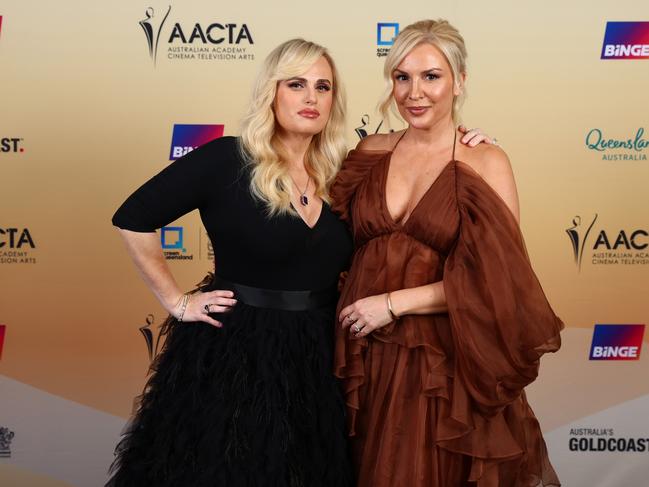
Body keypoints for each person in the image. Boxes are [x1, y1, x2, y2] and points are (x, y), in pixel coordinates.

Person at [107, 38, 354, 487]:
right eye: (296, 84)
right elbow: (133, 218)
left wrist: (467, 143)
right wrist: (177, 301)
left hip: (319, 353)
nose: (312, 97)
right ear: (272, 93)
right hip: (237, 354)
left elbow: (419, 154)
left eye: (323, 86)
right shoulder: (227, 158)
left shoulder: (345, 172)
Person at [332, 19, 563, 487]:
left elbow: (496, 283)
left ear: (459, 82)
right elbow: (327, 244)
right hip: (361, 360)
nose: (415, 92)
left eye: (431, 76)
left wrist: (392, 304)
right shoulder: (369, 151)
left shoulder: (485, 161)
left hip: (443, 370)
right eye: (402, 77)